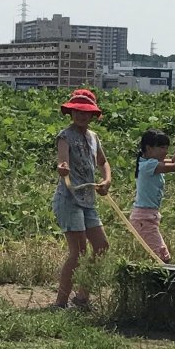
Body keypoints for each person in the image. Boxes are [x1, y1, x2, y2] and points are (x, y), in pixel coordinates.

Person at [52, 89, 112, 309]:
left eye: (86, 112)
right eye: (77, 111)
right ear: (71, 112)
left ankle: (82, 296)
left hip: (88, 199)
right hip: (69, 198)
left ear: (92, 115)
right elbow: (62, 159)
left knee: (101, 246)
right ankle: (61, 301)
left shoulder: (93, 137)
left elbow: (103, 162)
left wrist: (106, 180)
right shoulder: (65, 136)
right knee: (78, 252)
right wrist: (62, 168)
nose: (81, 116)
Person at [128, 129, 175, 262]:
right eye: (161, 148)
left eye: (166, 148)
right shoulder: (149, 165)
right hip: (144, 219)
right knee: (161, 257)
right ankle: (161, 280)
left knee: (157, 256)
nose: (165, 151)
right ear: (148, 148)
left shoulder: (152, 162)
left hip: (149, 216)